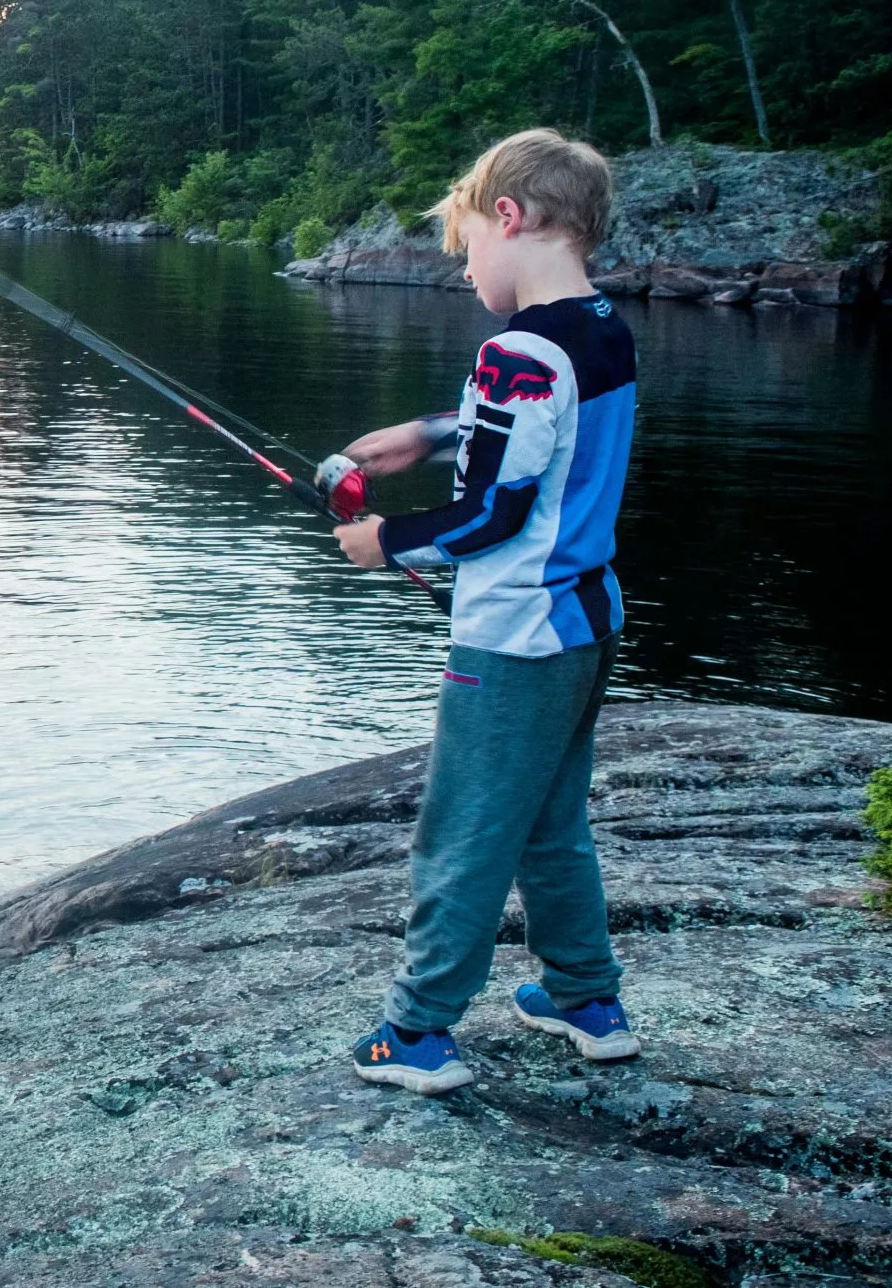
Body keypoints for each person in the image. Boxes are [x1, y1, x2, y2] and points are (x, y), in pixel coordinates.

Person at [329, 128, 641, 1095]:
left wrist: (388, 540)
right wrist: (421, 434)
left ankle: (418, 1031)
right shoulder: (598, 328)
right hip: (589, 624)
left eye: (467, 247)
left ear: (510, 217)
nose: (467, 271)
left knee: (463, 825)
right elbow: (537, 426)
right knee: (551, 819)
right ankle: (587, 998)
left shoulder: (515, 352)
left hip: (515, 637)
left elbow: (492, 511)